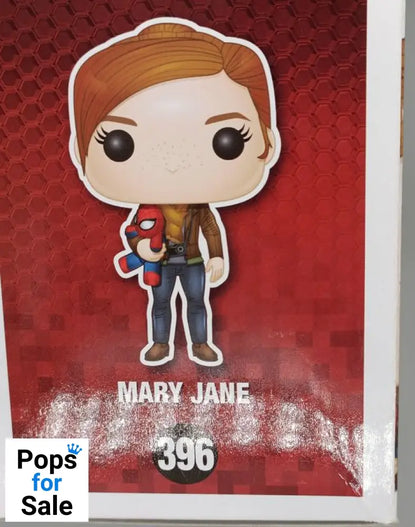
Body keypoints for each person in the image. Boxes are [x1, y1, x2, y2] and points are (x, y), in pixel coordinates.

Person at [68, 18, 280, 367]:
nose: (173, 164)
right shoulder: (148, 207)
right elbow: (134, 229)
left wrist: (217, 257)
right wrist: (139, 247)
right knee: (160, 304)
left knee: (197, 303)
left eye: (227, 140)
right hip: (162, 262)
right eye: (119, 143)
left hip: (193, 260)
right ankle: (159, 345)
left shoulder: (199, 207)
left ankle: (201, 344)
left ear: (267, 142)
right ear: (80, 152)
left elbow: (211, 228)